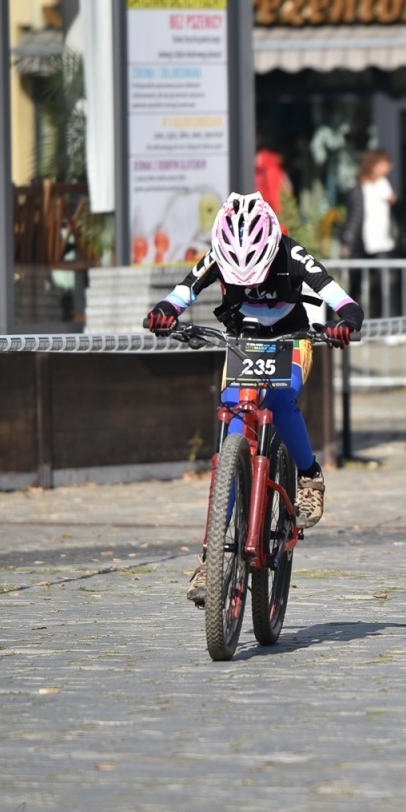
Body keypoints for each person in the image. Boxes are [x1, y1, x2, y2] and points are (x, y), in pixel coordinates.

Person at [144, 192, 364, 603]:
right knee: (233, 422)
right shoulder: (216, 253)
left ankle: (309, 475)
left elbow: (341, 298)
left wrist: (346, 322)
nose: (249, 285)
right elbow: (182, 291)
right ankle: (211, 560)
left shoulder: (291, 252)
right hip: (242, 343)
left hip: (292, 339)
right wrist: (163, 312)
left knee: (281, 403)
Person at [341, 149, 397, 259]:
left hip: (382, 241)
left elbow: (391, 199)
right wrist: (348, 239)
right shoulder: (358, 187)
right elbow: (355, 215)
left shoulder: (382, 183)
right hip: (361, 240)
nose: (389, 167)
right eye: (385, 163)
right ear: (373, 164)